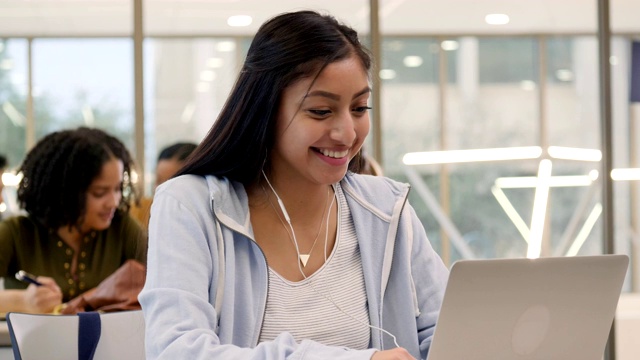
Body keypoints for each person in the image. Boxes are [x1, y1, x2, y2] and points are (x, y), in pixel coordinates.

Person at [139, 10, 448, 360]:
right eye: (320, 111)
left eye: (360, 108)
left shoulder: (388, 210)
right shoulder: (190, 205)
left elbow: (449, 331)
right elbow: (176, 351)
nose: (347, 133)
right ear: (265, 109)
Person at [0, 127, 147, 314]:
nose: (113, 202)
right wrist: (24, 301)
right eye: (99, 193)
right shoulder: (16, 233)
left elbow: (163, 280)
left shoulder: (123, 228)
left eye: (118, 189)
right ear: (64, 192)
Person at [130, 142, 197, 229]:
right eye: (158, 180)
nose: (159, 189)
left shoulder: (197, 222)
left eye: (169, 184)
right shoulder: (138, 210)